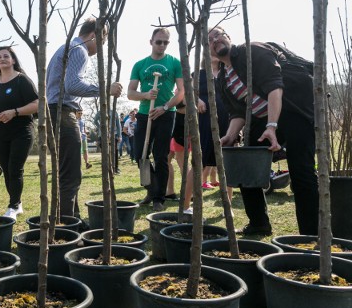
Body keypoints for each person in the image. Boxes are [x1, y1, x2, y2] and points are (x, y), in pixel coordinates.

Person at [209, 26, 318, 235]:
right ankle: (259, 223)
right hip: (262, 119)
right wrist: (230, 136)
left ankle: (310, 235)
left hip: (294, 111)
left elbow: (275, 87)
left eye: (219, 34)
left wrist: (272, 126)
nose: (215, 40)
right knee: (245, 165)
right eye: (210, 40)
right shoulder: (223, 79)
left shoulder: (252, 51)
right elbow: (238, 112)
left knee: (301, 170)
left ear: (229, 37)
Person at [46, 17, 123, 219]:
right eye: (102, 42)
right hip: (62, 112)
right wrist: (106, 89)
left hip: (53, 111)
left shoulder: (65, 48)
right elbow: (72, 86)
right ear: (93, 36)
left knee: (65, 171)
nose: (101, 47)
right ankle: (67, 223)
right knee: (71, 173)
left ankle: (72, 217)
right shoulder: (79, 50)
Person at [127, 27, 184, 212]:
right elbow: (130, 93)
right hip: (145, 114)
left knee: (161, 156)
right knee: (139, 154)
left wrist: (165, 107)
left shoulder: (175, 63)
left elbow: (182, 92)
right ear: (151, 42)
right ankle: (151, 189)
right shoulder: (140, 64)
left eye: (165, 42)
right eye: (158, 41)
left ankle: (159, 198)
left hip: (167, 114)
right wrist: (145, 94)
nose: (162, 45)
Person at [0, 46, 39, 219]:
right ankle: (16, 201)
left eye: (6, 56)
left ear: (13, 60)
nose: (2, 59)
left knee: (15, 168)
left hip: (22, 131)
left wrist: (15, 112)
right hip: (2, 133)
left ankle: (13, 206)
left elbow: (37, 104)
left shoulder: (22, 80)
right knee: (7, 170)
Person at [182, 62, 232, 215]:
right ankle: (185, 206)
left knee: (228, 163)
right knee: (199, 163)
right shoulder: (197, 75)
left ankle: (227, 207)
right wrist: (196, 100)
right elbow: (185, 98)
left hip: (228, 122)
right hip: (204, 122)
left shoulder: (229, 72)